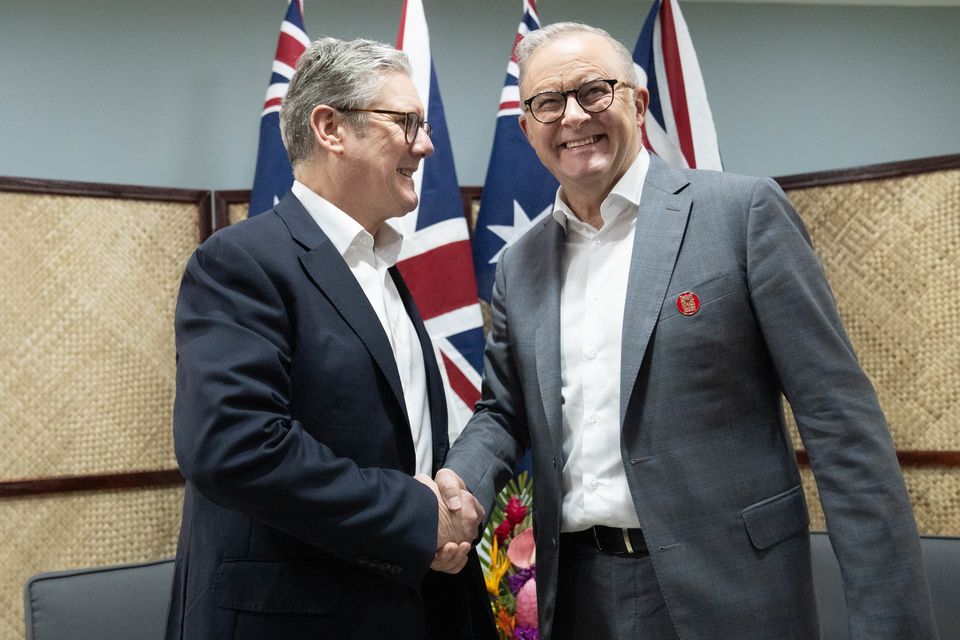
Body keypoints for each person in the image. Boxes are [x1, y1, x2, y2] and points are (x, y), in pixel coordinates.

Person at [437, 22, 938, 640]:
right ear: (529, 129)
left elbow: (841, 424)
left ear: (638, 103)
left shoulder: (742, 214)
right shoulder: (521, 262)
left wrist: (892, 623)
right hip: (578, 594)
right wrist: (460, 481)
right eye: (548, 102)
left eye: (595, 91)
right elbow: (504, 410)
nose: (573, 116)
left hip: (733, 590)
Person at [165, 37, 495, 640]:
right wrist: (417, 518)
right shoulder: (241, 263)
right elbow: (234, 447)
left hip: (419, 605)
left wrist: (443, 514)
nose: (427, 144)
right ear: (330, 127)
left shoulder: (381, 267)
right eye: (406, 123)